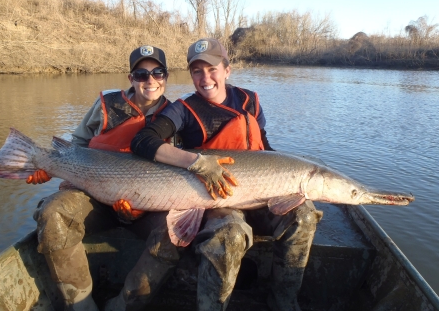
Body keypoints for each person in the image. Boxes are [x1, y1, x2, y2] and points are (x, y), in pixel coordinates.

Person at [120, 38, 322, 311]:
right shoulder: (182, 109)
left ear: (227, 69)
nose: (205, 78)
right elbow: (142, 141)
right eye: (197, 71)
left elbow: (264, 148)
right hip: (218, 197)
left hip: (261, 193)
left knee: (305, 215)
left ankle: (284, 299)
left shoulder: (249, 100)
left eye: (212, 68)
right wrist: (197, 163)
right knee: (230, 233)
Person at [28, 45, 171, 311]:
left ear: (166, 77)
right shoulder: (106, 104)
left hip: (148, 206)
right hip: (94, 197)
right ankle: (81, 305)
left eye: (157, 72)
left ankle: (123, 305)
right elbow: (77, 145)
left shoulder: (177, 116)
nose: (149, 80)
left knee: (176, 232)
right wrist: (49, 167)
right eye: (141, 74)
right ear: (131, 78)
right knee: (52, 213)